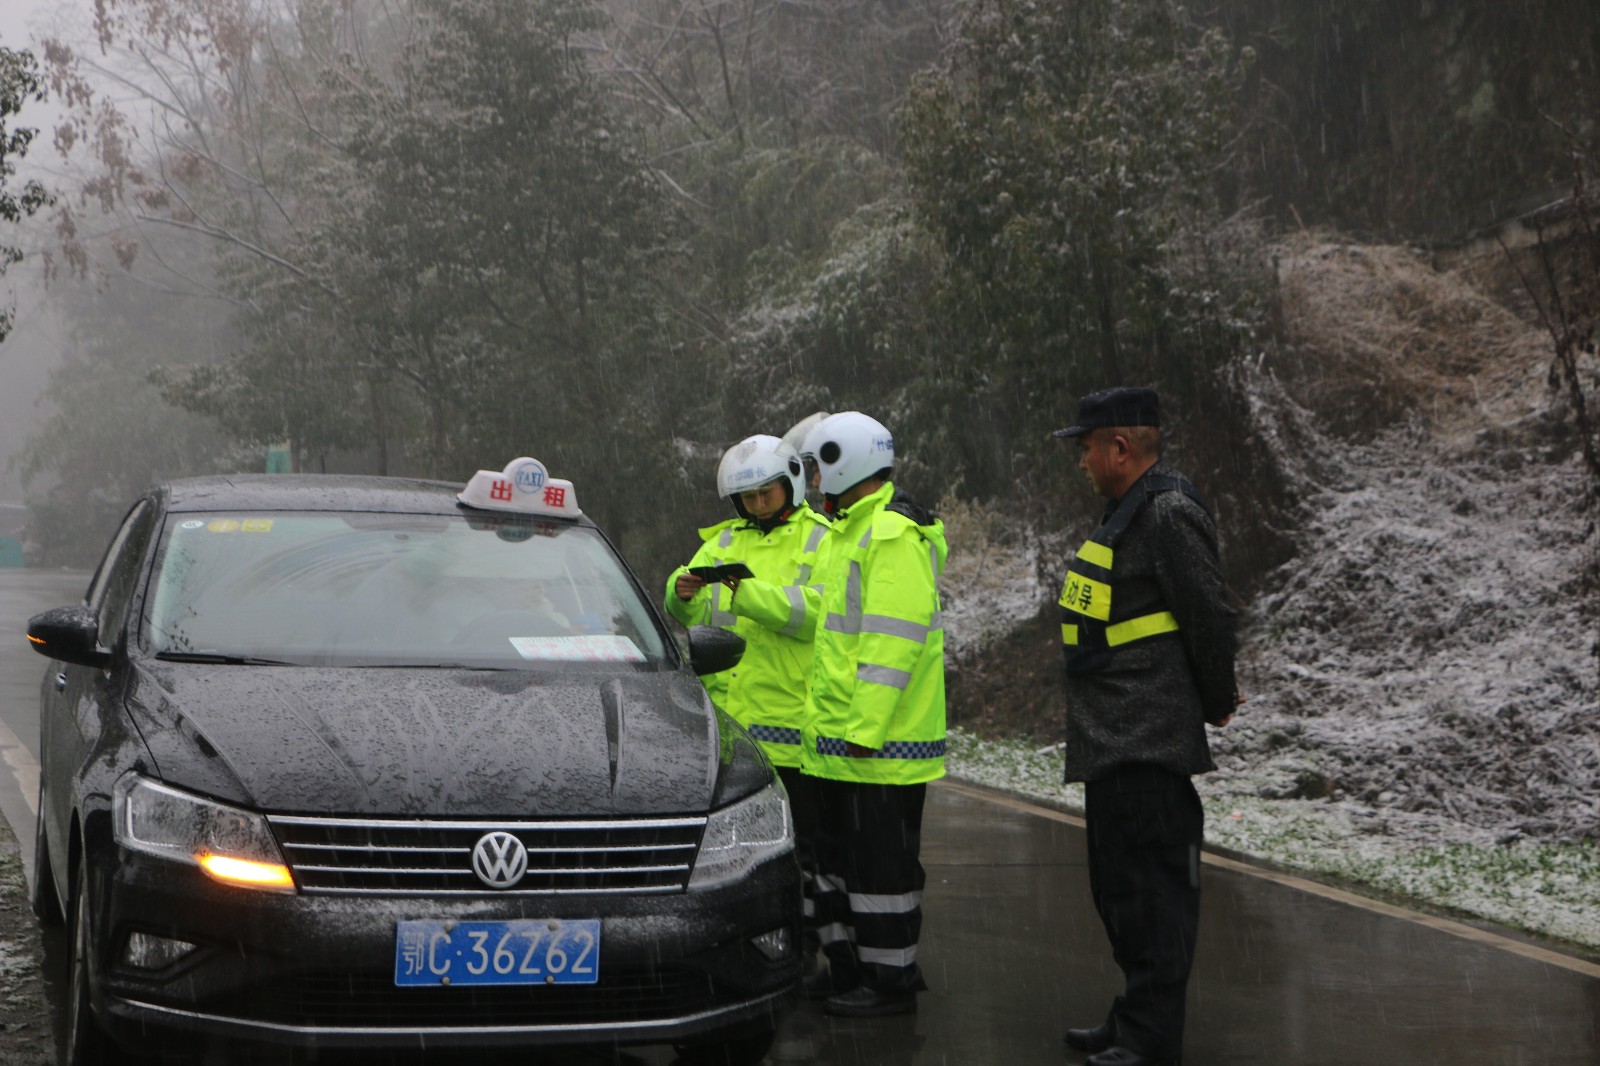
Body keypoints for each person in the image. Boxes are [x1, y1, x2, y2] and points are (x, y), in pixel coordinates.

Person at [1052, 387, 1238, 1066]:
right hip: (1113, 742)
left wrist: (1216, 697)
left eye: (1087, 447)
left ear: (1119, 448)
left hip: (1147, 742)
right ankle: (1136, 1015)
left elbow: (1211, 615)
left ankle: (1152, 1038)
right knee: (1121, 894)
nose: (1082, 461)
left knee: (1152, 897)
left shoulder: (1166, 514)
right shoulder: (1126, 515)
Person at [799, 411, 948, 1018]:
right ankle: (850, 970)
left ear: (842, 462)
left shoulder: (890, 535)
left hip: (877, 749)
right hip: (841, 746)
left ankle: (890, 983)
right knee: (838, 864)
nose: (811, 480)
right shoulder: (848, 534)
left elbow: (893, 644)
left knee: (880, 871)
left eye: (815, 466)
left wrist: (864, 730)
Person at [663, 433, 832, 949]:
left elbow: (817, 616)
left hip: (794, 729)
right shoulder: (723, 542)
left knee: (804, 854)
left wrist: (750, 594)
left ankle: (806, 950)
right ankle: (755, 944)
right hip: (731, 728)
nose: (758, 504)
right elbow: (688, 614)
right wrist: (681, 589)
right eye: (748, 497)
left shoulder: (821, 539)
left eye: (768, 493)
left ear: (791, 486)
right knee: (737, 853)